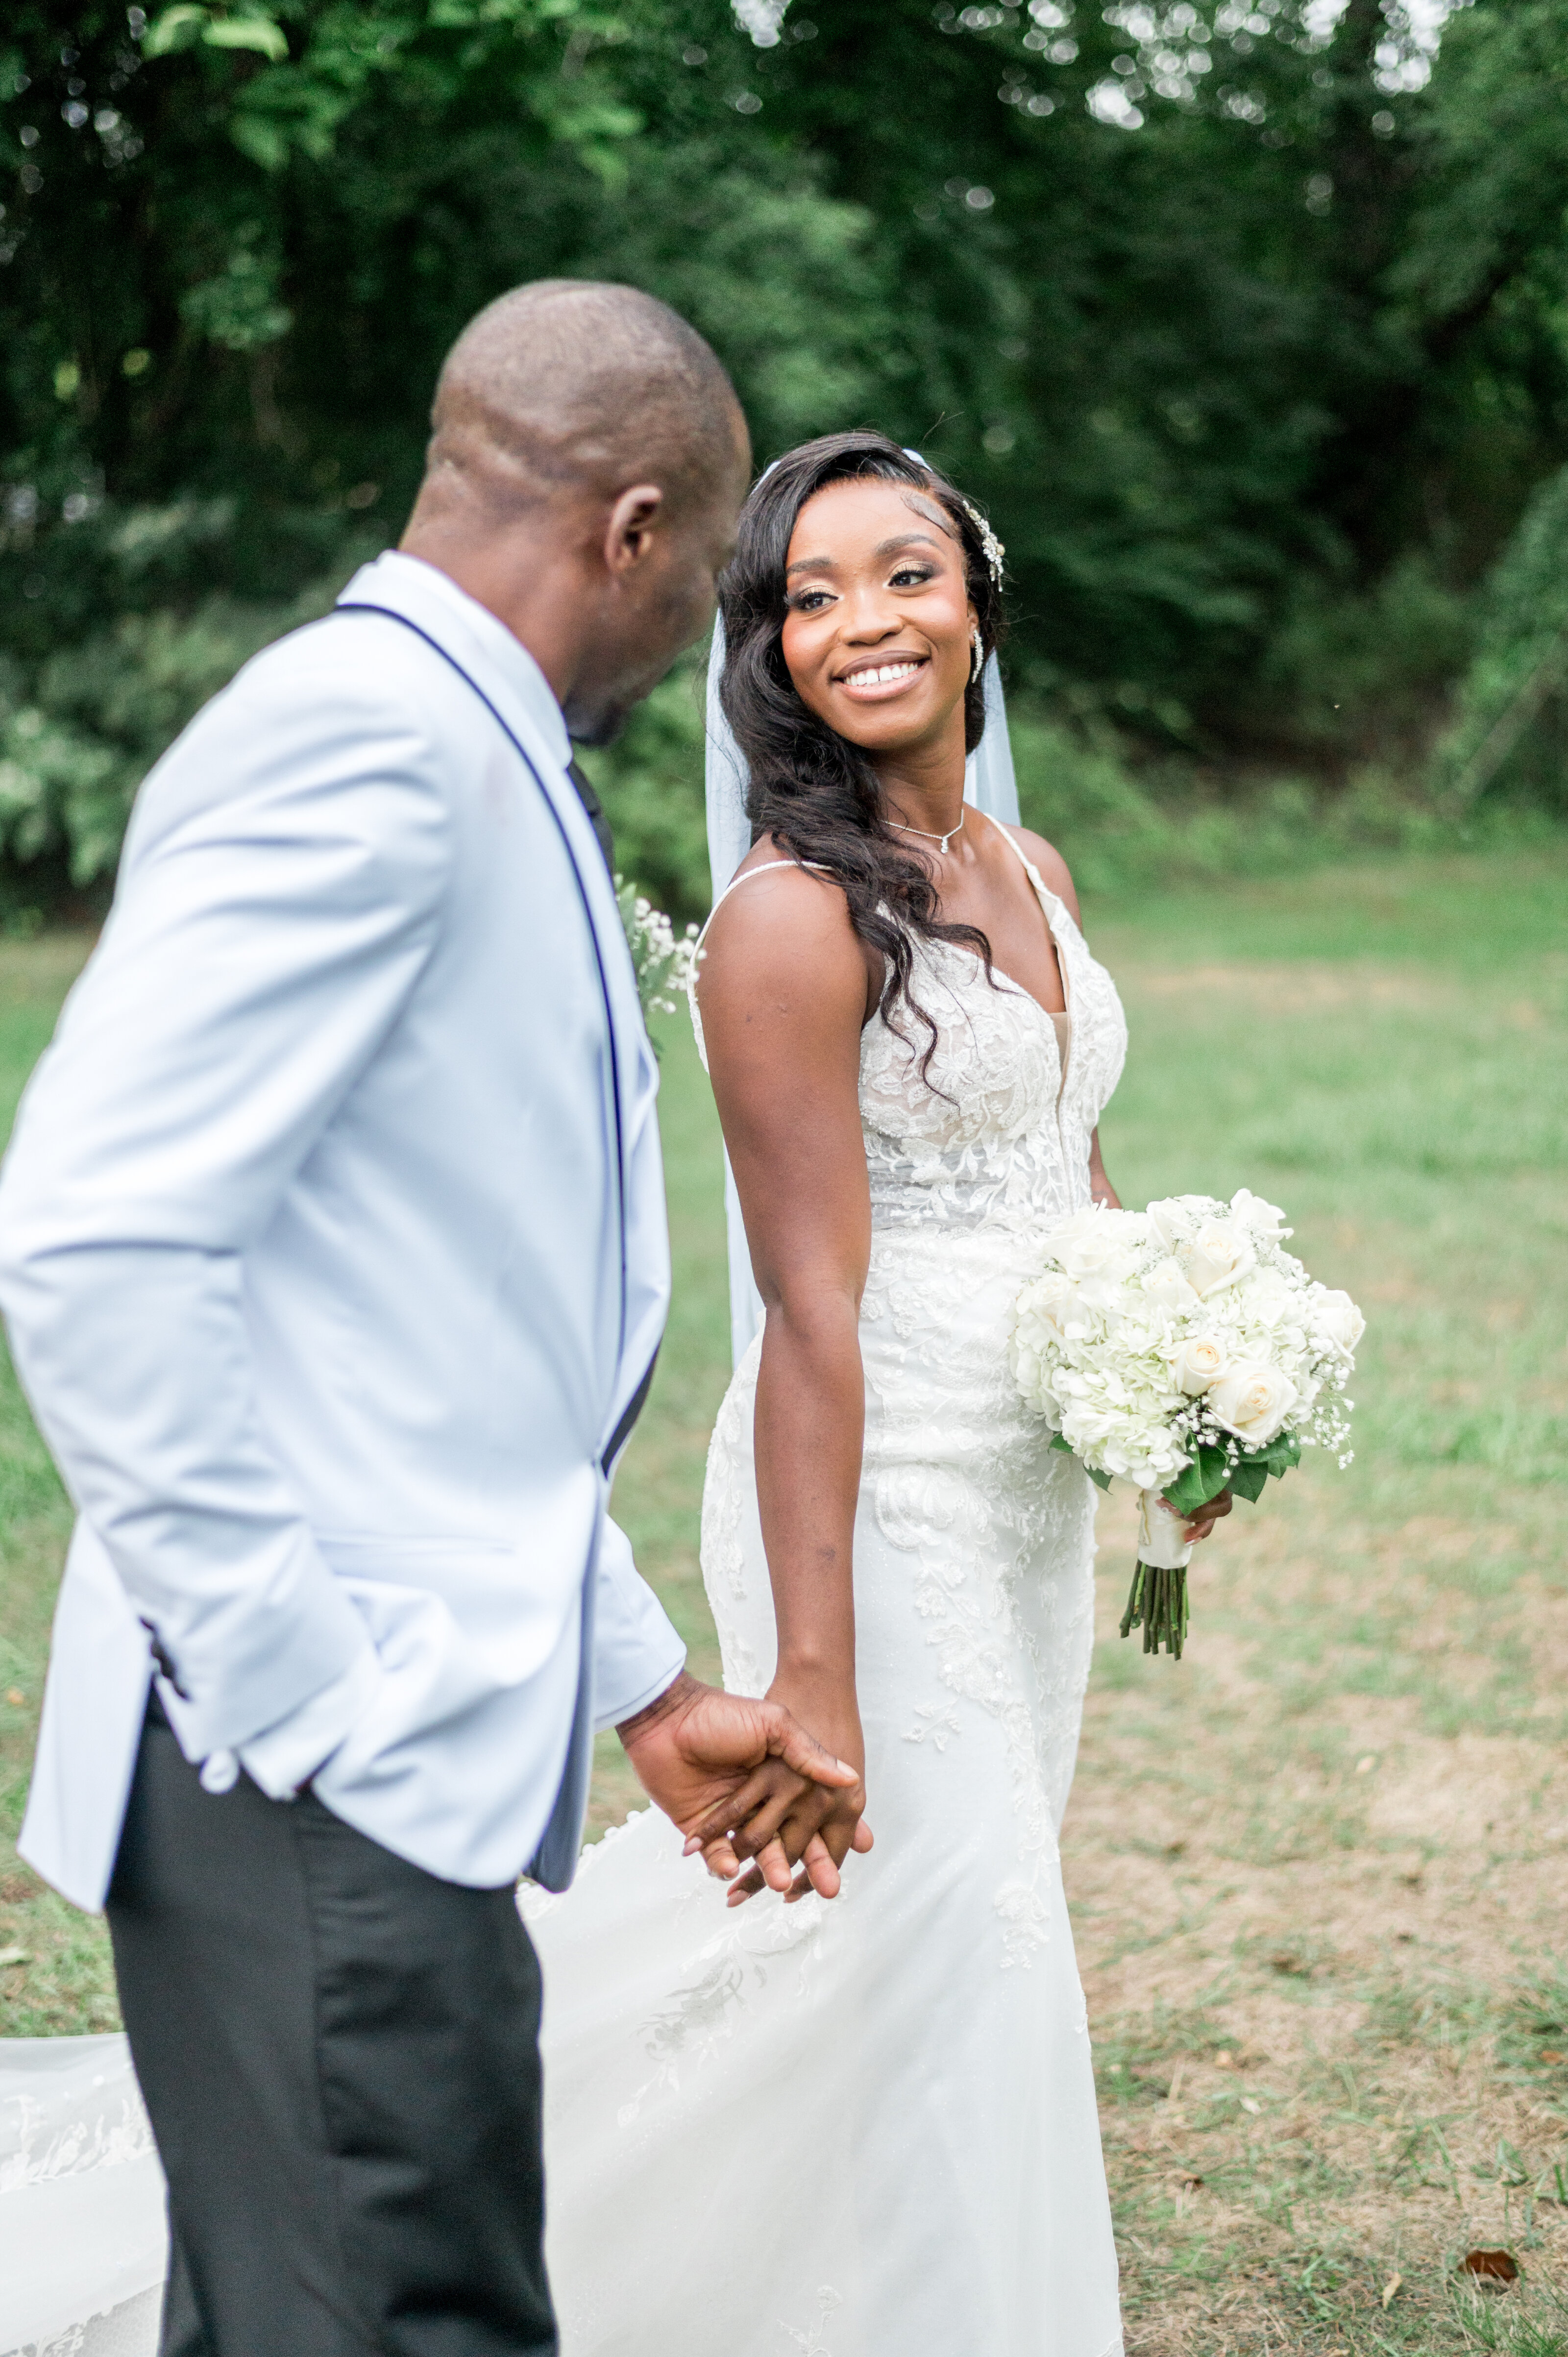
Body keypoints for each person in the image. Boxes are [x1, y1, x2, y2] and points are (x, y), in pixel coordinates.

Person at [0, 286, 868, 2357]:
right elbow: (98, 1241)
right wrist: (304, 1697)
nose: (714, 645)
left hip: (388, 1739)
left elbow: (427, 1339)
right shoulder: (366, 735)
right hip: (308, 1760)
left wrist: (641, 1689)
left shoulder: (473, 746)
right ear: (634, 530)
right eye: (718, 581)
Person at [522, 432, 1232, 2357]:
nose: (861, 621)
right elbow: (806, 1313)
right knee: (959, 1948)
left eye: (901, 572)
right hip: (877, 1495)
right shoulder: (785, 920)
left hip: (1027, 1493)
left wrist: (1177, 1381)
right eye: (808, 594)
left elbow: (1063, 1157)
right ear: (766, 650)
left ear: (976, 600)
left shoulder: (1024, 862)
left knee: (891, 1961)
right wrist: (810, 1666)